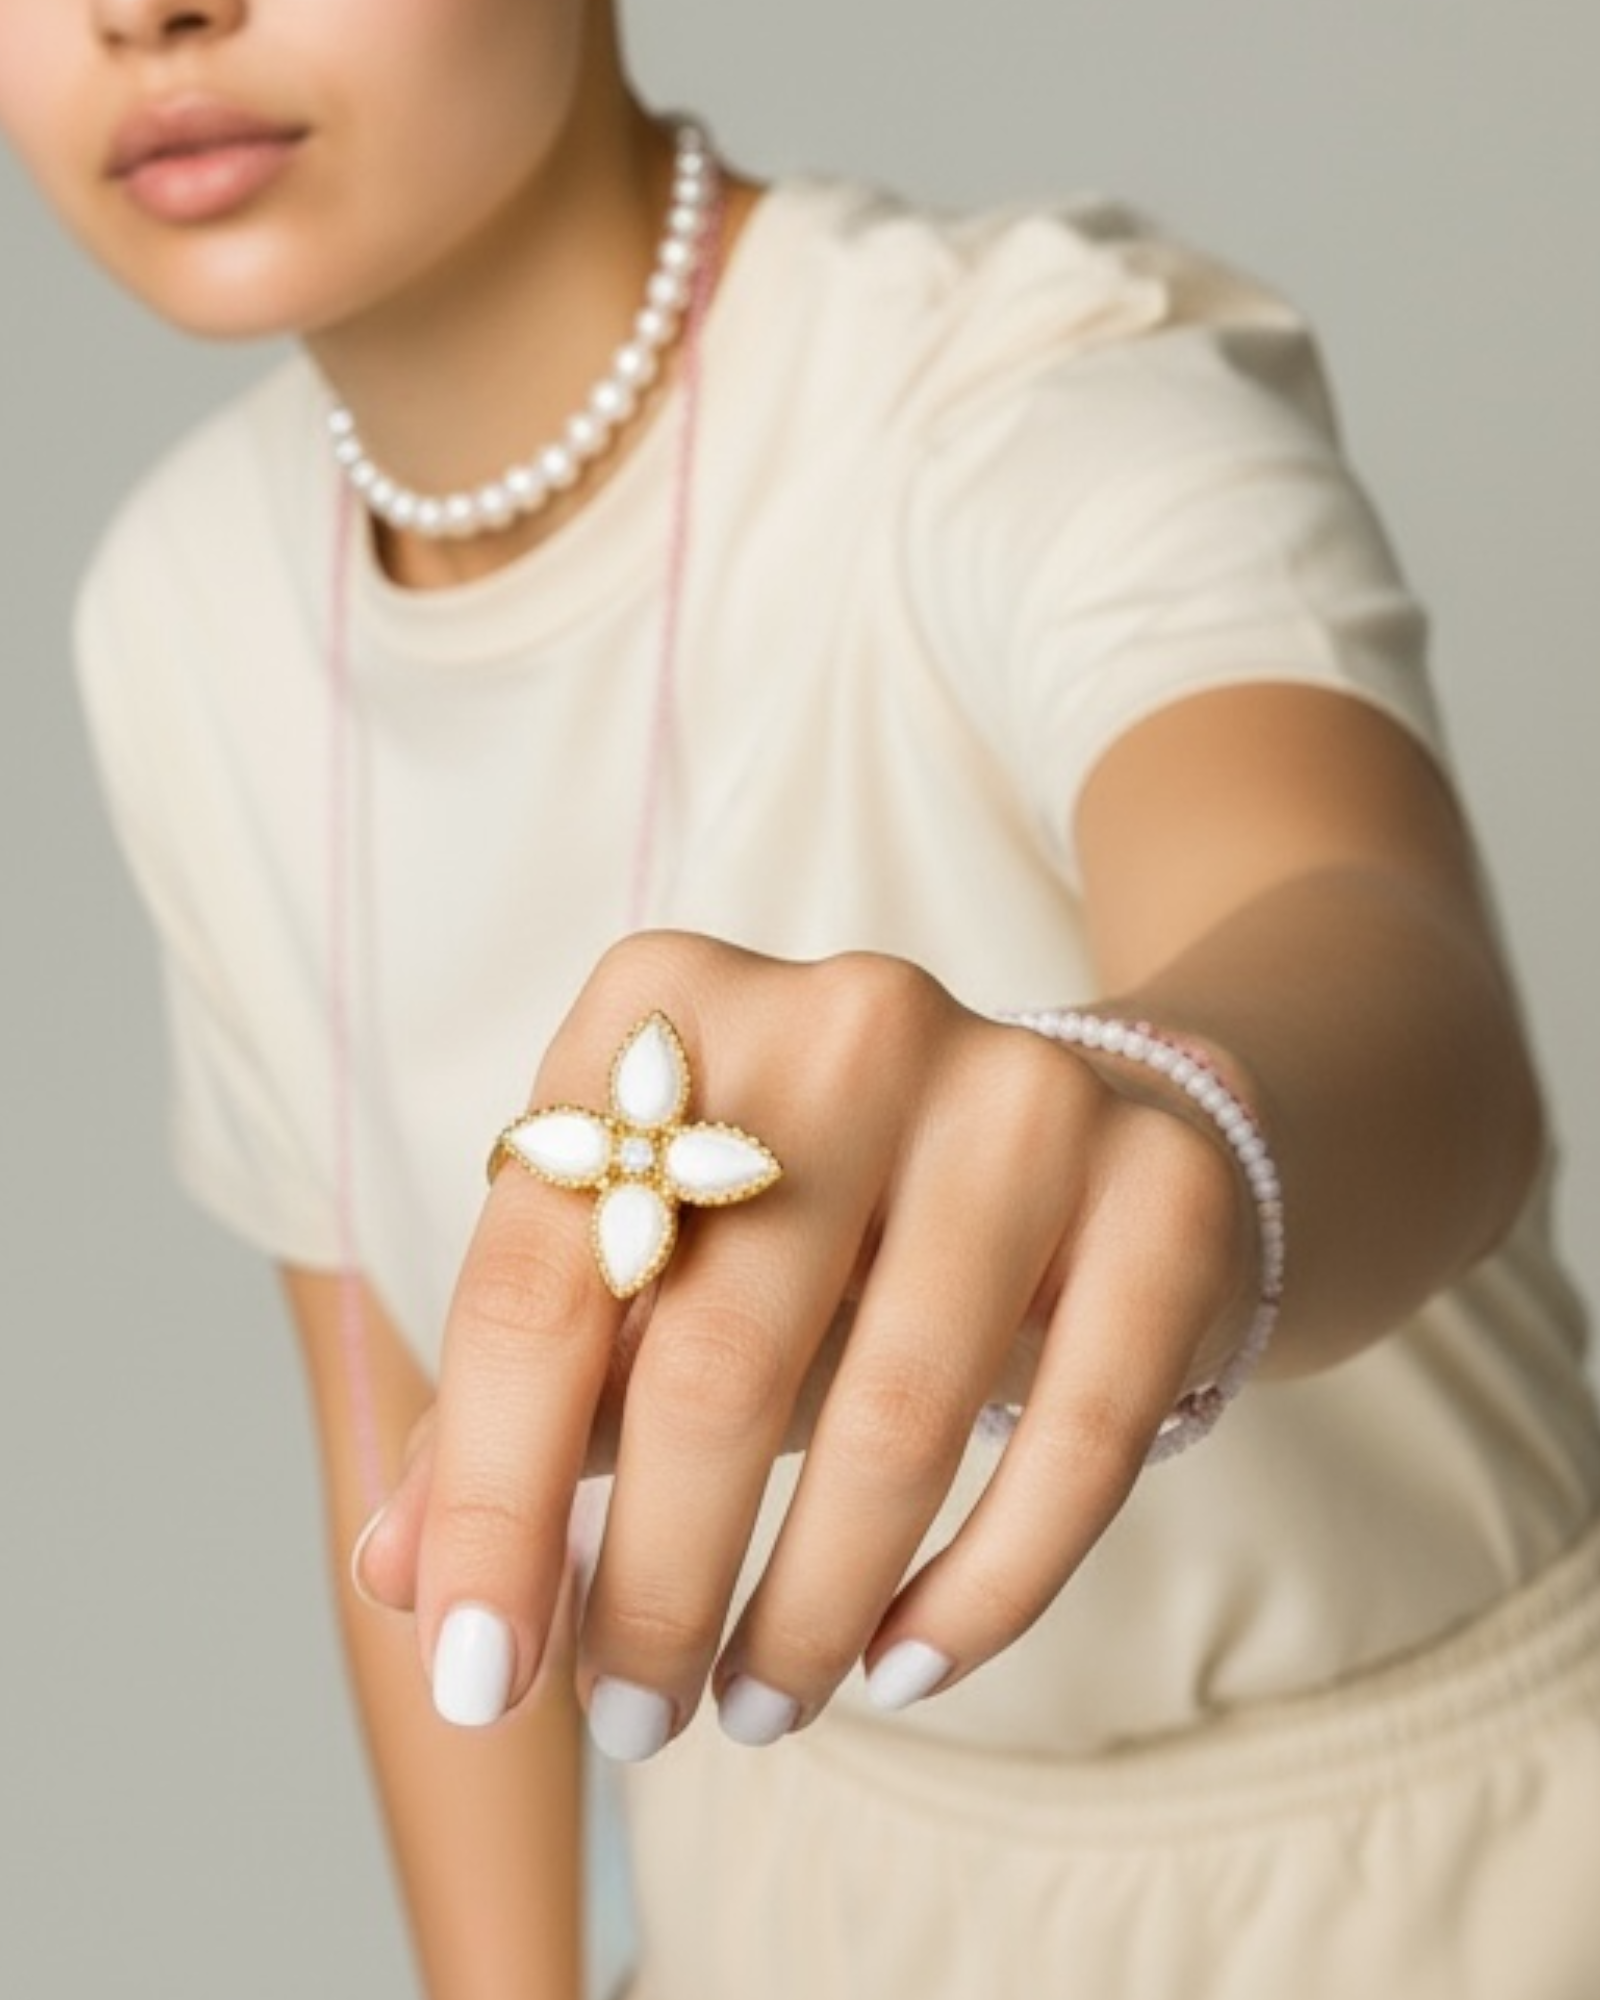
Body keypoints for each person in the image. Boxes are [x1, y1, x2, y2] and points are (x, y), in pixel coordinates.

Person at [6, 0, 1599, 1994]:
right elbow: (416, 1436)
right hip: (777, 1887)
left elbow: (1367, 938)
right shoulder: (180, 606)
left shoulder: (1039, 390)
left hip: (1447, 1891)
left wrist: (1158, 1120)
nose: (147, 13)